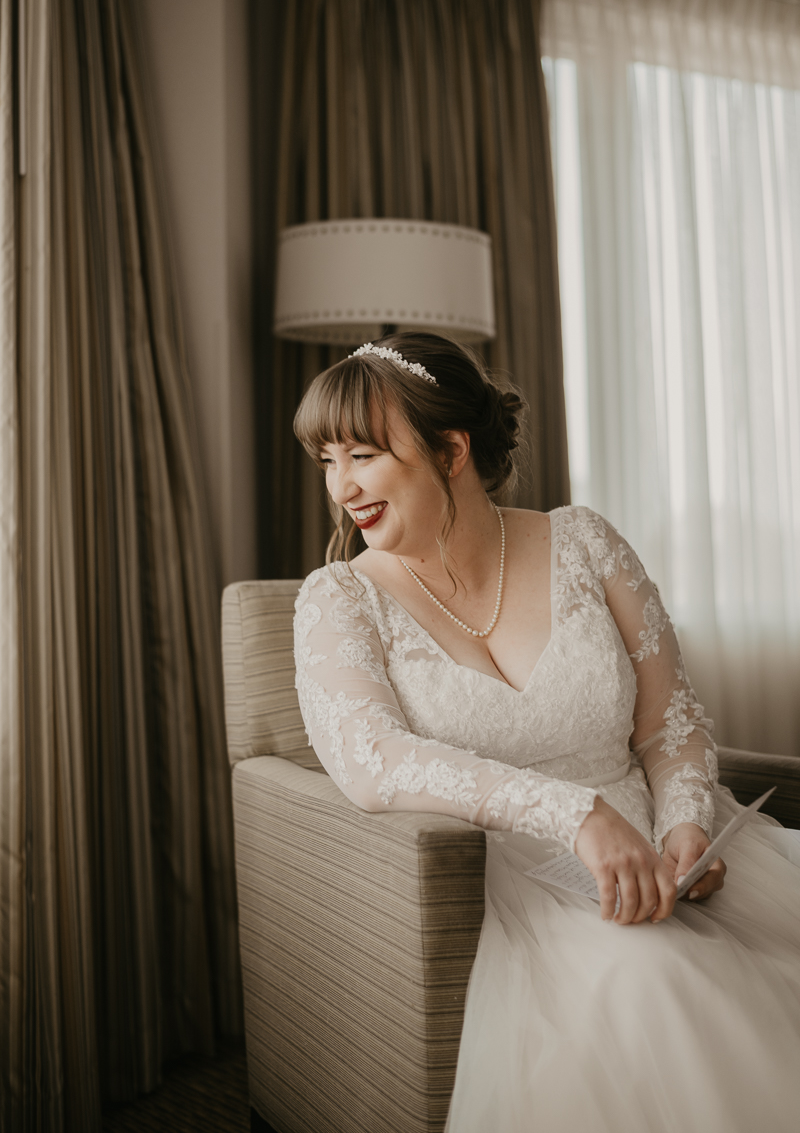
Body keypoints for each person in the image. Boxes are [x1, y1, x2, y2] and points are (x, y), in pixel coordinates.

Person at [292, 331, 800, 1133]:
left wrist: (686, 826)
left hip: (673, 862)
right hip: (532, 887)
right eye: (327, 460)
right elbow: (371, 760)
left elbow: (673, 722)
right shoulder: (339, 600)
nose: (342, 486)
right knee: (661, 991)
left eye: (363, 454)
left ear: (450, 449)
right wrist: (577, 815)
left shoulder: (585, 542)